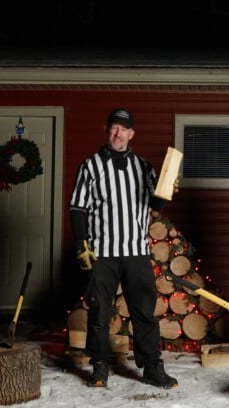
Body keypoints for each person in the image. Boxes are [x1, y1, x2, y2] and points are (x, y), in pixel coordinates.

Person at [69, 108, 178, 389]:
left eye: (124, 129)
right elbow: (77, 208)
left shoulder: (143, 167)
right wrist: (81, 243)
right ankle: (100, 365)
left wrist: (167, 191)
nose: (118, 133)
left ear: (132, 134)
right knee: (99, 312)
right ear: (107, 130)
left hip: (135, 251)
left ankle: (151, 366)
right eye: (114, 128)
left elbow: (155, 205)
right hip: (102, 252)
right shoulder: (90, 166)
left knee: (144, 312)